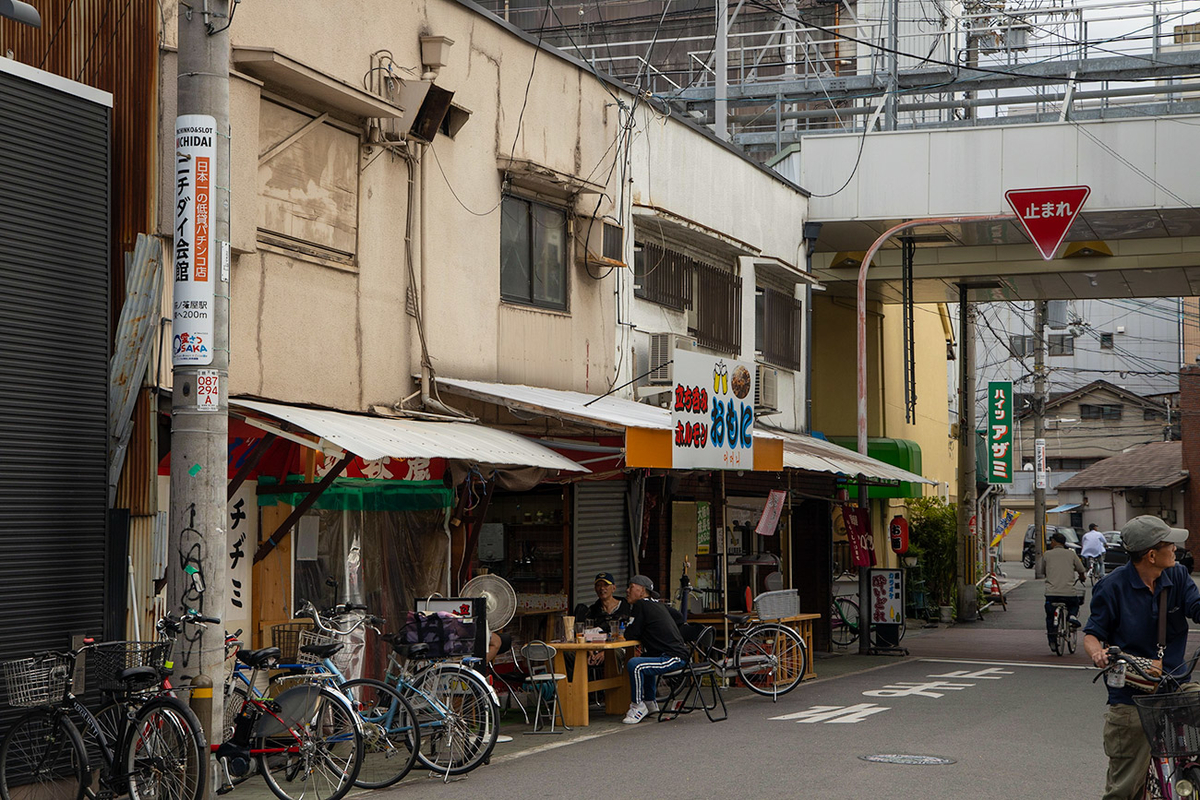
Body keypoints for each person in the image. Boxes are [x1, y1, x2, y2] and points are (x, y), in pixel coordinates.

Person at [1083, 516, 1200, 800]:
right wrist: (1097, 652)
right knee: (1125, 789)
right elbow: (1092, 634)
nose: (1176, 548)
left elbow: (1196, 607)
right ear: (1151, 555)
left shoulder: (1178, 576)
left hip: (1174, 682)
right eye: (1169, 544)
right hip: (1131, 695)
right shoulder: (1112, 587)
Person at [621, 575, 688, 725]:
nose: (627, 590)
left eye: (631, 587)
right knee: (646, 656)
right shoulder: (658, 605)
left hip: (673, 657)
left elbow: (631, 634)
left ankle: (638, 706)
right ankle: (650, 702)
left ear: (642, 591)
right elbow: (679, 617)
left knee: (635, 665)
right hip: (674, 654)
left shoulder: (641, 605)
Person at [1035, 531, 1086, 650]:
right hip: (1068, 592)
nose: (1050, 543)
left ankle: (1052, 641)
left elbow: (1042, 571)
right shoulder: (1071, 554)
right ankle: (1072, 616)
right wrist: (1082, 577)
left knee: (1050, 616)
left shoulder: (1047, 554)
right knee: (1074, 604)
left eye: (1051, 541)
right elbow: (1081, 570)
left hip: (1051, 593)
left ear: (1055, 542)